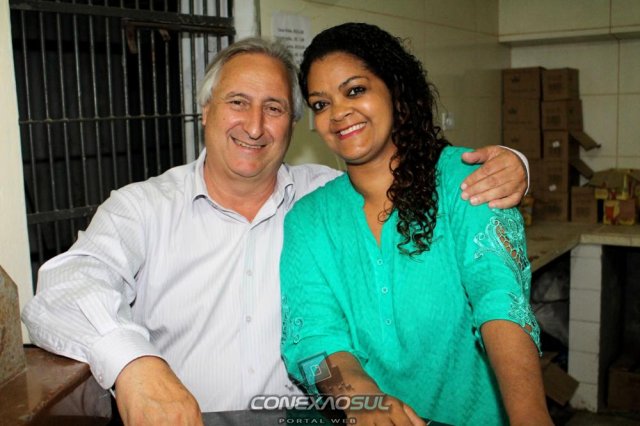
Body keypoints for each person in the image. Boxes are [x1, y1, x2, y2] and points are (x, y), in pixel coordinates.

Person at [22, 37, 529, 425]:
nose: (254, 125)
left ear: (292, 124)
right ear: (205, 111)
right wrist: (135, 364)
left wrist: (513, 165)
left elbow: (414, 180)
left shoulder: (323, 198)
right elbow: (65, 288)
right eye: (237, 102)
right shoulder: (144, 209)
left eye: (275, 108)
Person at [280, 23, 552, 426]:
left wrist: (530, 415)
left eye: (355, 90)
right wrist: (362, 399)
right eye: (321, 104)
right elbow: (311, 343)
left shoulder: (467, 182)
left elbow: (499, 300)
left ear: (395, 89)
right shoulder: (309, 220)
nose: (337, 113)